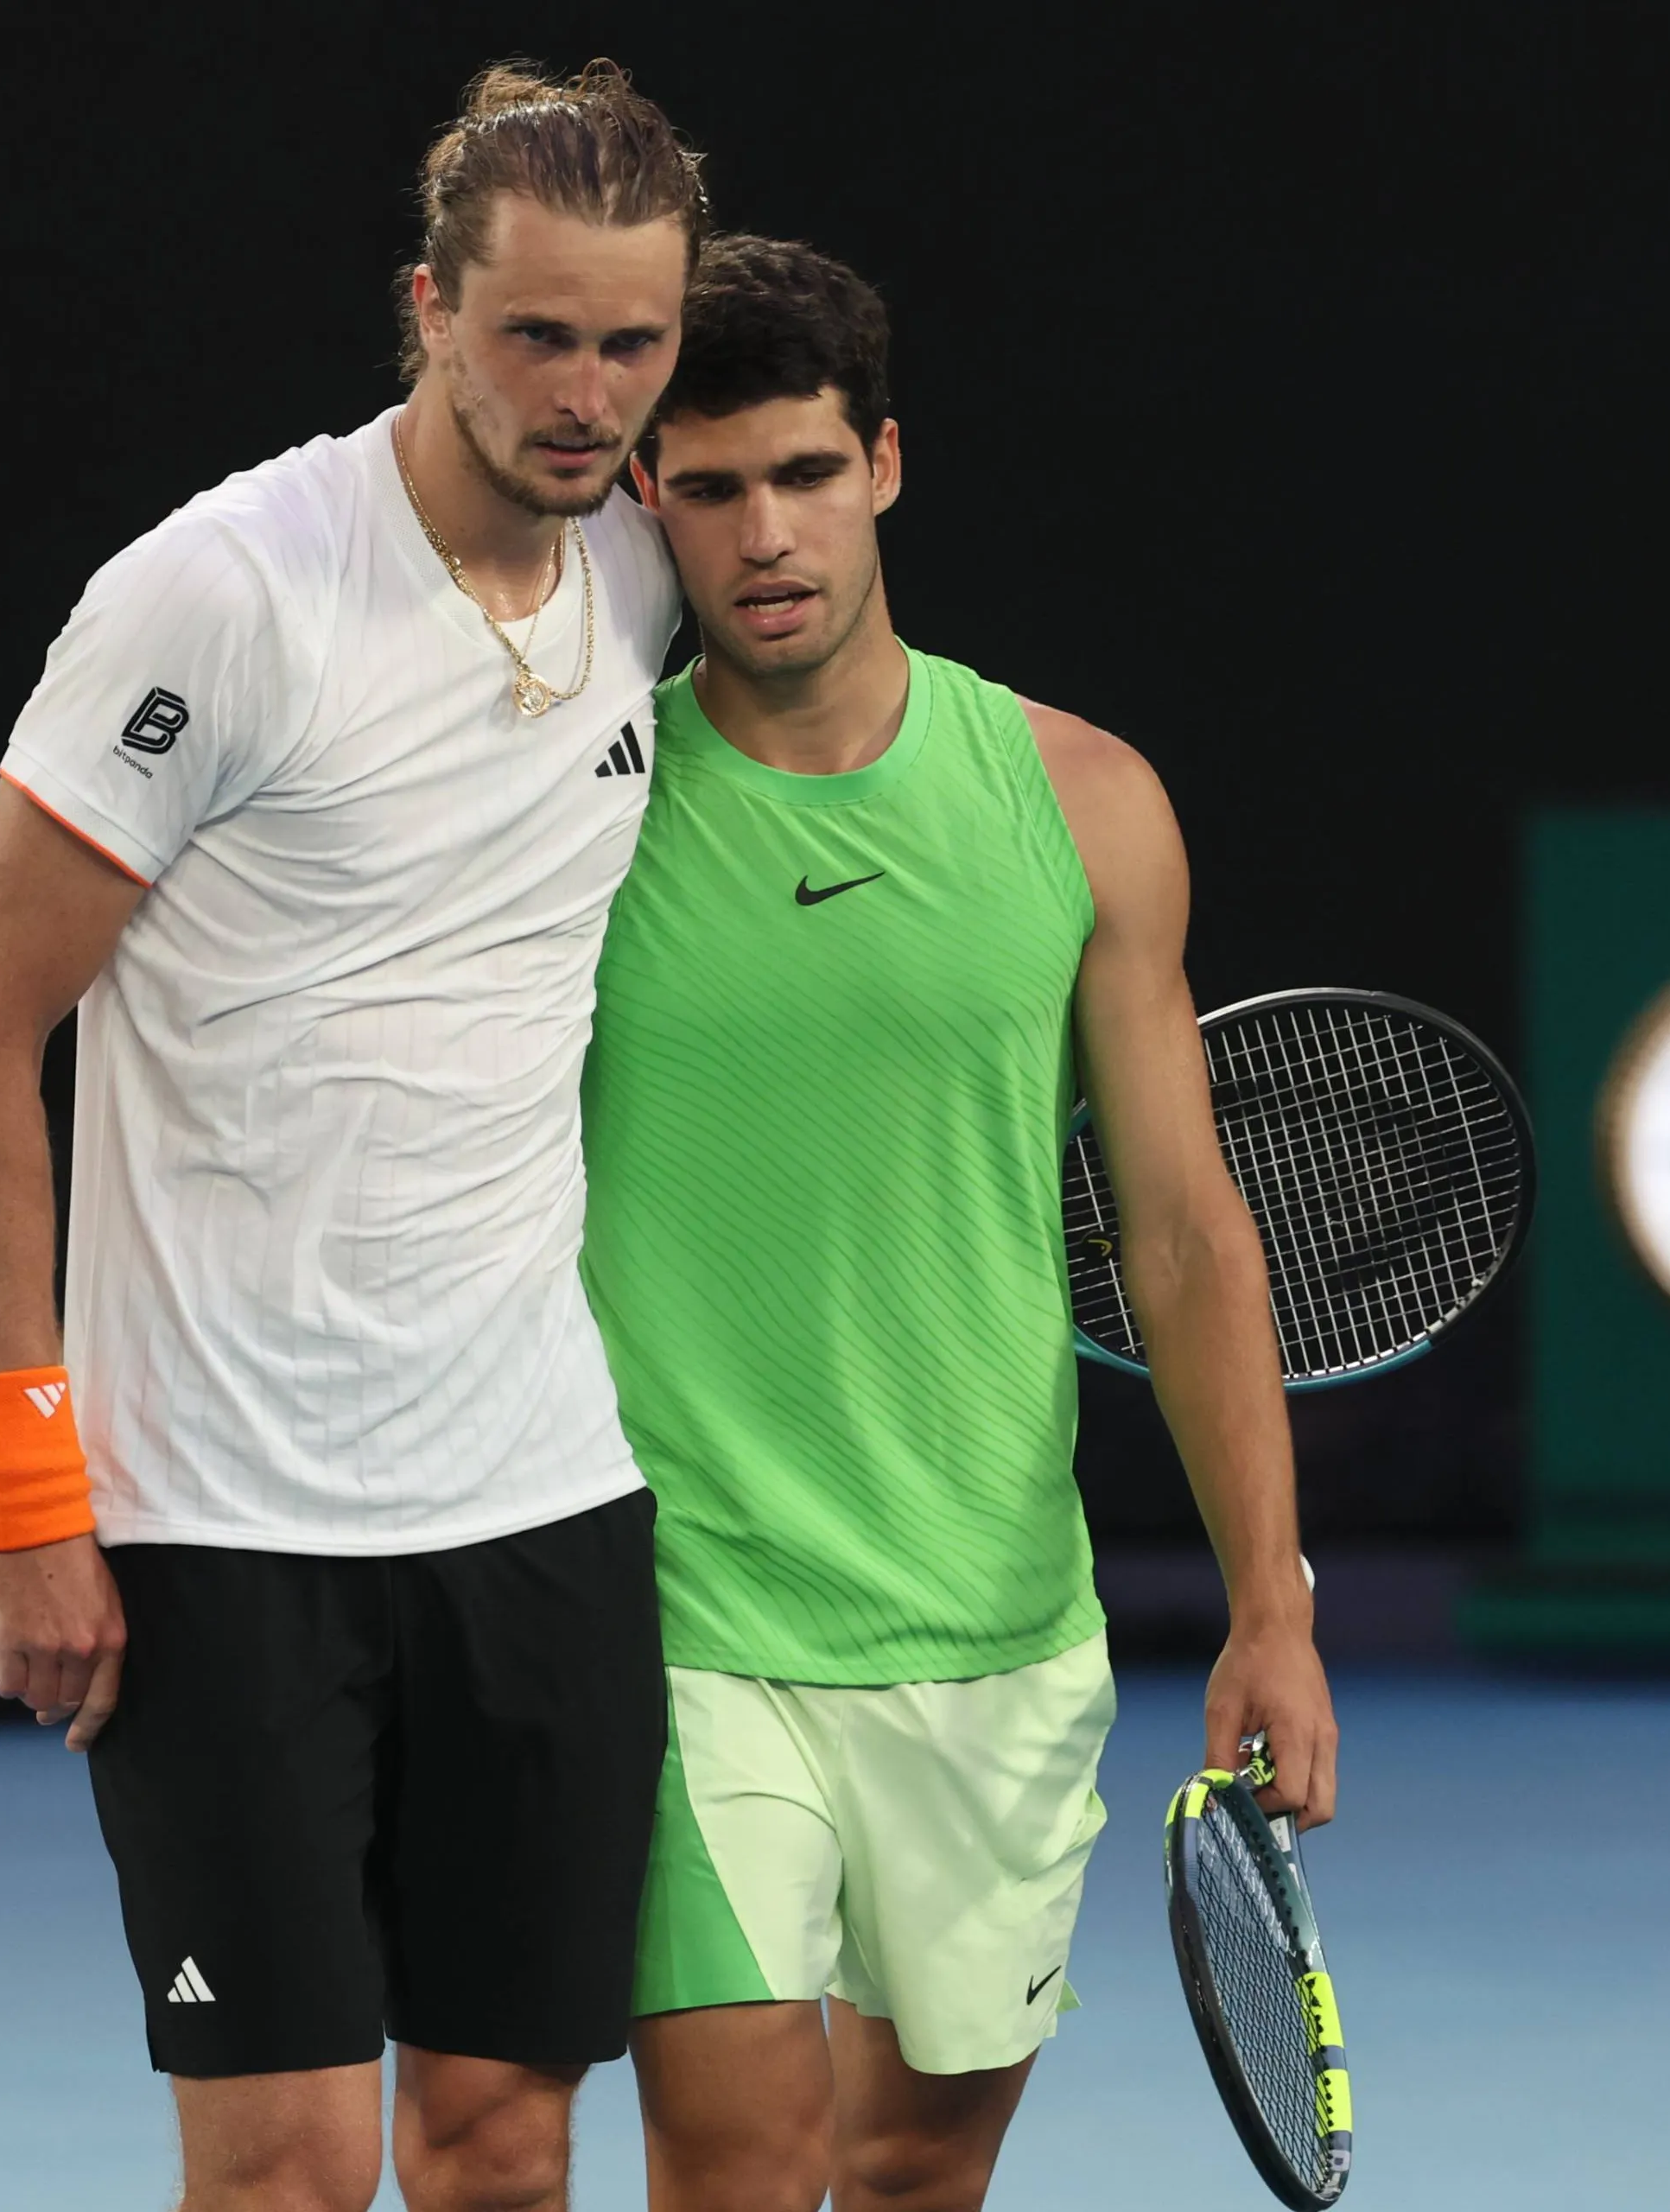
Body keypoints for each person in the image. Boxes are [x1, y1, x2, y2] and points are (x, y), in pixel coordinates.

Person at [0, 62, 702, 2212]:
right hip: (219, 1520)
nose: (589, 391)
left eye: (637, 342)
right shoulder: (222, 592)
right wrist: (28, 1488)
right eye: (538, 334)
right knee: (281, 2170)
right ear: (427, 307)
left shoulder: (651, 566)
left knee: (505, 2150)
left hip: (540, 1497)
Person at [581, 234, 1342, 2212]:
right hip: (679, 1612)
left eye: (807, 475)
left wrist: (1273, 1601)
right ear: (646, 497)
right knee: (738, 2158)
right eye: (716, 485)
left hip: (995, 1620)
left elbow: (1181, 1233)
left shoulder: (1082, 803)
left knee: (915, 2165)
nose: (768, 535)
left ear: (887, 465)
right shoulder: (576, 818)